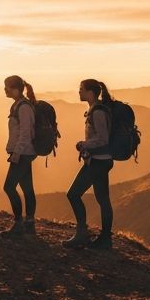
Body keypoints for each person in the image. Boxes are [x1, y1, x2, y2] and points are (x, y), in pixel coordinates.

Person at [65, 78, 115, 249]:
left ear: (90, 92)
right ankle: (105, 239)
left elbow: (102, 139)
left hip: (98, 162)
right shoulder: (96, 109)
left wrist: (83, 144)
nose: (79, 92)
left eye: (81, 89)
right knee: (103, 199)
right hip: (101, 160)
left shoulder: (98, 112)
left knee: (73, 194)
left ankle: (82, 234)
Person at [1, 75, 37, 237]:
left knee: (9, 187)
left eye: (6, 87)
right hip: (25, 153)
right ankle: (29, 223)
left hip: (22, 154)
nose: (5, 90)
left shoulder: (23, 107)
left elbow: (25, 133)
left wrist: (16, 152)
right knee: (27, 188)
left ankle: (18, 224)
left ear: (15, 88)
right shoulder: (19, 105)